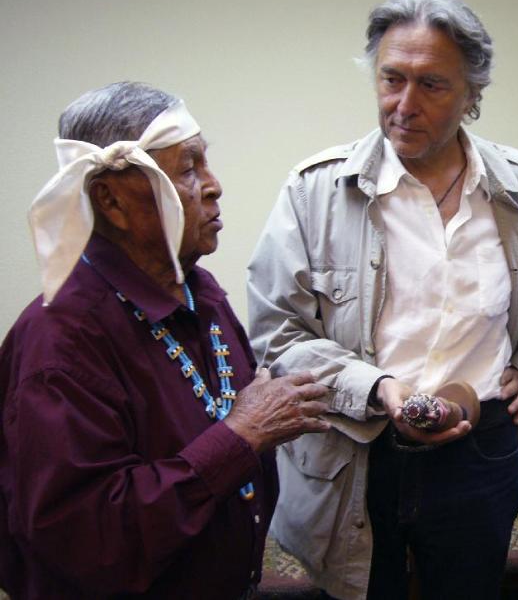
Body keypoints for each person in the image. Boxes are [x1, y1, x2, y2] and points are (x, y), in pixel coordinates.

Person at [247, 0, 518, 600]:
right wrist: (378, 388)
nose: (404, 105)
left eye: (431, 85)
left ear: (472, 94)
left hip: (481, 450)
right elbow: (277, 330)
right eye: (391, 79)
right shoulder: (315, 192)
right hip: (354, 450)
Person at [0, 82, 331, 599]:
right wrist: (242, 436)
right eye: (187, 168)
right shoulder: (61, 341)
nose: (213, 185)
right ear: (110, 199)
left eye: (206, 163)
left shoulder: (202, 292)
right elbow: (84, 543)